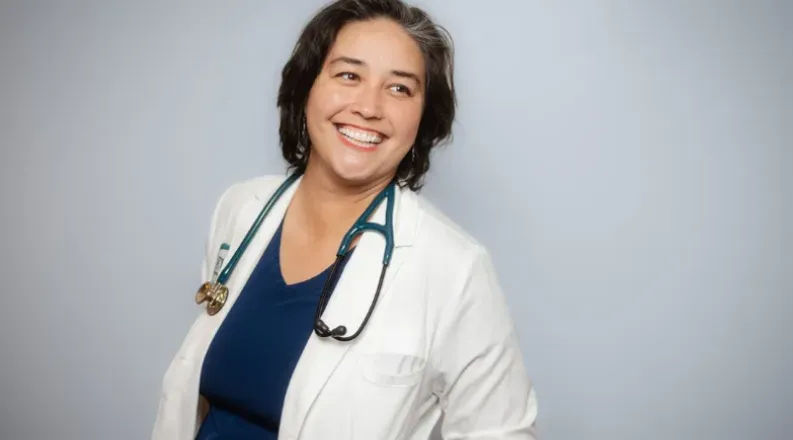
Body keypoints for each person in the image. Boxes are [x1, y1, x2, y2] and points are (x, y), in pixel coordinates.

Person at [152, 0, 538, 439]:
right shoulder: (241, 209)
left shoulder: (456, 269)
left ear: (422, 117)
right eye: (349, 75)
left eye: (400, 89)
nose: (369, 107)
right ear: (307, 87)